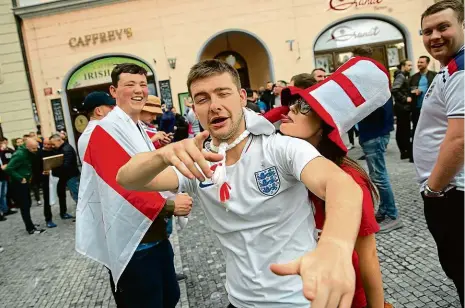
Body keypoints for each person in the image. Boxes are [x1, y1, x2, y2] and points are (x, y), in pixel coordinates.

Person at [116, 59, 389, 308]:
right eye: (202, 99)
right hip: (240, 301)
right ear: (194, 109)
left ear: (242, 97)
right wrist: (161, 155)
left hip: (299, 301)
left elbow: (342, 186)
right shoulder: (197, 161)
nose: (214, 105)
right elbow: (127, 179)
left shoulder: (281, 147)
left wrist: (335, 247)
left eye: (223, 93)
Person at [76, 63, 191, 308]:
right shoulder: (103, 131)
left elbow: (148, 170)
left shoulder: (136, 126)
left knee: (169, 298)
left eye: (142, 84)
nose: (138, 90)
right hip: (134, 246)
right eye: (130, 84)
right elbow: (118, 184)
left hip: (155, 238)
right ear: (114, 91)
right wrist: (168, 206)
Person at [280, 72, 386, 308]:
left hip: (344, 296)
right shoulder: (285, 169)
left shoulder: (349, 178)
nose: (291, 111)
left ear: (323, 128)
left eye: (304, 107)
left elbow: (367, 255)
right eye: (292, 105)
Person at [413, 0, 464, 305]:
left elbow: (459, 140)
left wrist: (433, 189)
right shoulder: (449, 69)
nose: (434, 36)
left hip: (452, 193)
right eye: (427, 30)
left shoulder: (461, 71)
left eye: (443, 27)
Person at [352, 46, 400, 233]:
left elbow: (377, 108)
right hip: (373, 132)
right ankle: (385, 209)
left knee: (379, 176)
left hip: (374, 132)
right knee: (376, 176)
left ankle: (393, 215)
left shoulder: (371, 78)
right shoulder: (374, 76)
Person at [3, 138, 45, 234]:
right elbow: (8, 168)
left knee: (28, 203)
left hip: (25, 182)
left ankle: (30, 224)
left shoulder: (28, 152)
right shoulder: (20, 154)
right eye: (34, 148)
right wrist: (20, 178)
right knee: (25, 205)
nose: (36, 150)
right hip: (18, 183)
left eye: (36, 148)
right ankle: (30, 228)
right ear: (27, 147)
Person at [77, 91, 116, 160]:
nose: (114, 109)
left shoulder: (84, 136)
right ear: (98, 111)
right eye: (111, 107)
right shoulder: (104, 132)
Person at [50, 134, 79, 219]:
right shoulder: (63, 148)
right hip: (70, 176)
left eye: (53, 143)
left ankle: (82, 216)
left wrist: (55, 168)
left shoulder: (66, 149)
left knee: (77, 196)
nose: (53, 146)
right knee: (75, 195)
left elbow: (66, 165)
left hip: (71, 176)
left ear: (58, 140)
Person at [392, 59, 413, 161]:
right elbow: (395, 89)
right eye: (409, 65)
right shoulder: (401, 76)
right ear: (403, 66)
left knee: (402, 129)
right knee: (403, 129)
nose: (411, 67)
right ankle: (404, 151)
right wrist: (405, 99)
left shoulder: (402, 75)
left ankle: (404, 151)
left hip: (402, 107)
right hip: (402, 107)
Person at [409, 56, 437, 135]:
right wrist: (413, 91)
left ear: (427, 63)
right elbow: (409, 89)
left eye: (421, 62)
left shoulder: (435, 75)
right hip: (417, 107)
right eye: (418, 62)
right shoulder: (413, 77)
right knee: (417, 129)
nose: (419, 64)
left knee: (432, 128)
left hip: (431, 107)